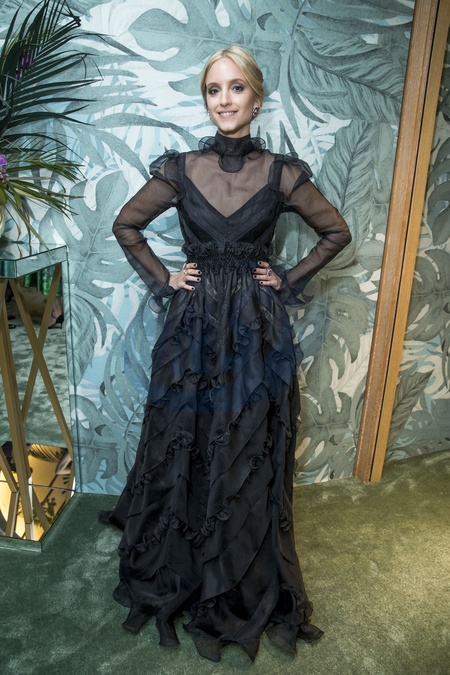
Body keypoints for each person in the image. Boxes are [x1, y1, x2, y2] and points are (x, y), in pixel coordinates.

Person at [100, 45, 351, 662]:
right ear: (206, 99)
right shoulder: (181, 168)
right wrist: (165, 279)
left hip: (255, 329)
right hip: (192, 325)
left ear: (256, 99)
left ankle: (239, 568)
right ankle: (184, 562)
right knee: (186, 436)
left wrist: (287, 279)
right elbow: (126, 224)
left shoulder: (282, 173)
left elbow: (336, 231)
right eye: (214, 89)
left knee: (246, 438)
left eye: (236, 88)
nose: (225, 99)